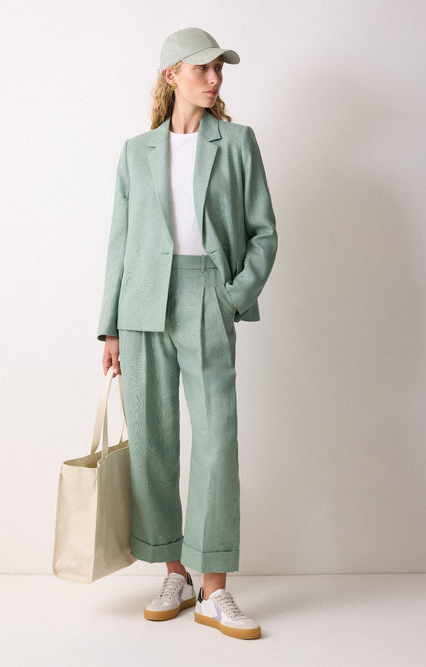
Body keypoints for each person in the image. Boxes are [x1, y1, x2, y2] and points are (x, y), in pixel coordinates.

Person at [96, 27, 277, 640]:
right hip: (141, 301)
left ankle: (214, 589)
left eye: (219, 68)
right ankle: (173, 571)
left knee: (216, 436)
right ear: (172, 75)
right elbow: (120, 242)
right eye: (203, 68)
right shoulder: (135, 151)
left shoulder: (237, 141)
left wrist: (233, 295)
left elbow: (264, 232)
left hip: (207, 293)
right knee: (153, 440)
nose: (215, 78)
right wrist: (109, 329)